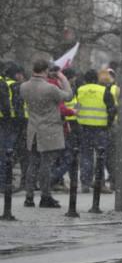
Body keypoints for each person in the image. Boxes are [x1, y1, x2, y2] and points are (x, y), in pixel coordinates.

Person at [20, 58, 73, 208]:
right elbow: (68, 96)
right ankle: (45, 197)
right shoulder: (50, 88)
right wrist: (64, 80)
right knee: (46, 165)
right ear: (46, 71)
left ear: (32, 70)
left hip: (33, 130)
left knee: (33, 164)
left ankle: (29, 197)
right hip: (50, 130)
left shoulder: (23, 87)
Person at [77, 69, 116, 193]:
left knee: (86, 156)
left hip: (84, 128)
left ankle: (85, 183)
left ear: (85, 79)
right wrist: (108, 124)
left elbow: (76, 107)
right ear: (96, 79)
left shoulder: (80, 90)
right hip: (100, 129)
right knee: (101, 157)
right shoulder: (104, 91)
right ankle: (100, 183)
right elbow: (112, 110)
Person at [49, 67, 80, 191]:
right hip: (63, 126)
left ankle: (56, 181)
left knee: (59, 157)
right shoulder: (57, 89)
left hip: (64, 125)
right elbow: (61, 107)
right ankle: (52, 179)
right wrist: (73, 112)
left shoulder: (74, 89)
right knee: (67, 157)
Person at [0, 61, 21, 190]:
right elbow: (6, 105)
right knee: (6, 152)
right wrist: (10, 118)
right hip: (4, 121)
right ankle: (3, 182)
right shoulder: (3, 83)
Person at [99, 68, 119, 192]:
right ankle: (113, 180)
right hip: (112, 124)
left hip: (105, 125)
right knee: (111, 155)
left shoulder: (99, 89)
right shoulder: (116, 89)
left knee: (104, 155)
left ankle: (106, 181)